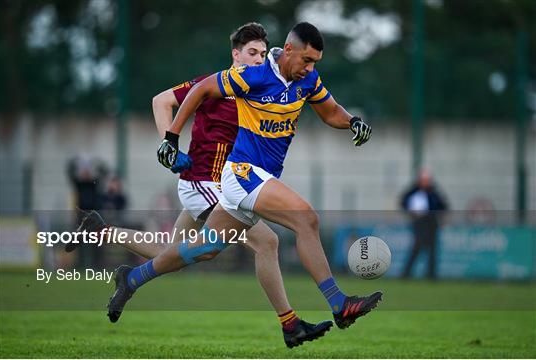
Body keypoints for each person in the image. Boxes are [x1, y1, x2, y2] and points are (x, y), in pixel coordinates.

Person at [108, 22, 382, 334]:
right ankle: (338, 304)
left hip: (257, 178)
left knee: (205, 247)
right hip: (242, 174)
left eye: (315, 62)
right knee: (305, 218)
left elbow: (331, 111)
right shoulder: (254, 75)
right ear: (289, 50)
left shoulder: (308, 80)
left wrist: (353, 122)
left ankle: (132, 279)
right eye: (306, 60)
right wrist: (171, 138)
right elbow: (200, 89)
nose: (310, 68)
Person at [72, 23, 331, 348]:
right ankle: (290, 324)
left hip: (224, 185)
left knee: (170, 252)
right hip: (205, 181)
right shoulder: (218, 85)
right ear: (235, 54)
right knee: (266, 243)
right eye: (252, 53)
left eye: (263, 54)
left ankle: (103, 237)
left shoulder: (263, 87)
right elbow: (161, 100)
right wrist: (169, 145)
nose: (258, 59)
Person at [400, 168, 448, 279]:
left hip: (431, 224)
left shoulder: (434, 194)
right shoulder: (413, 192)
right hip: (419, 225)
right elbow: (404, 202)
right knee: (416, 249)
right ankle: (406, 274)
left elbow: (443, 206)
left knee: (432, 251)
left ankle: (431, 275)